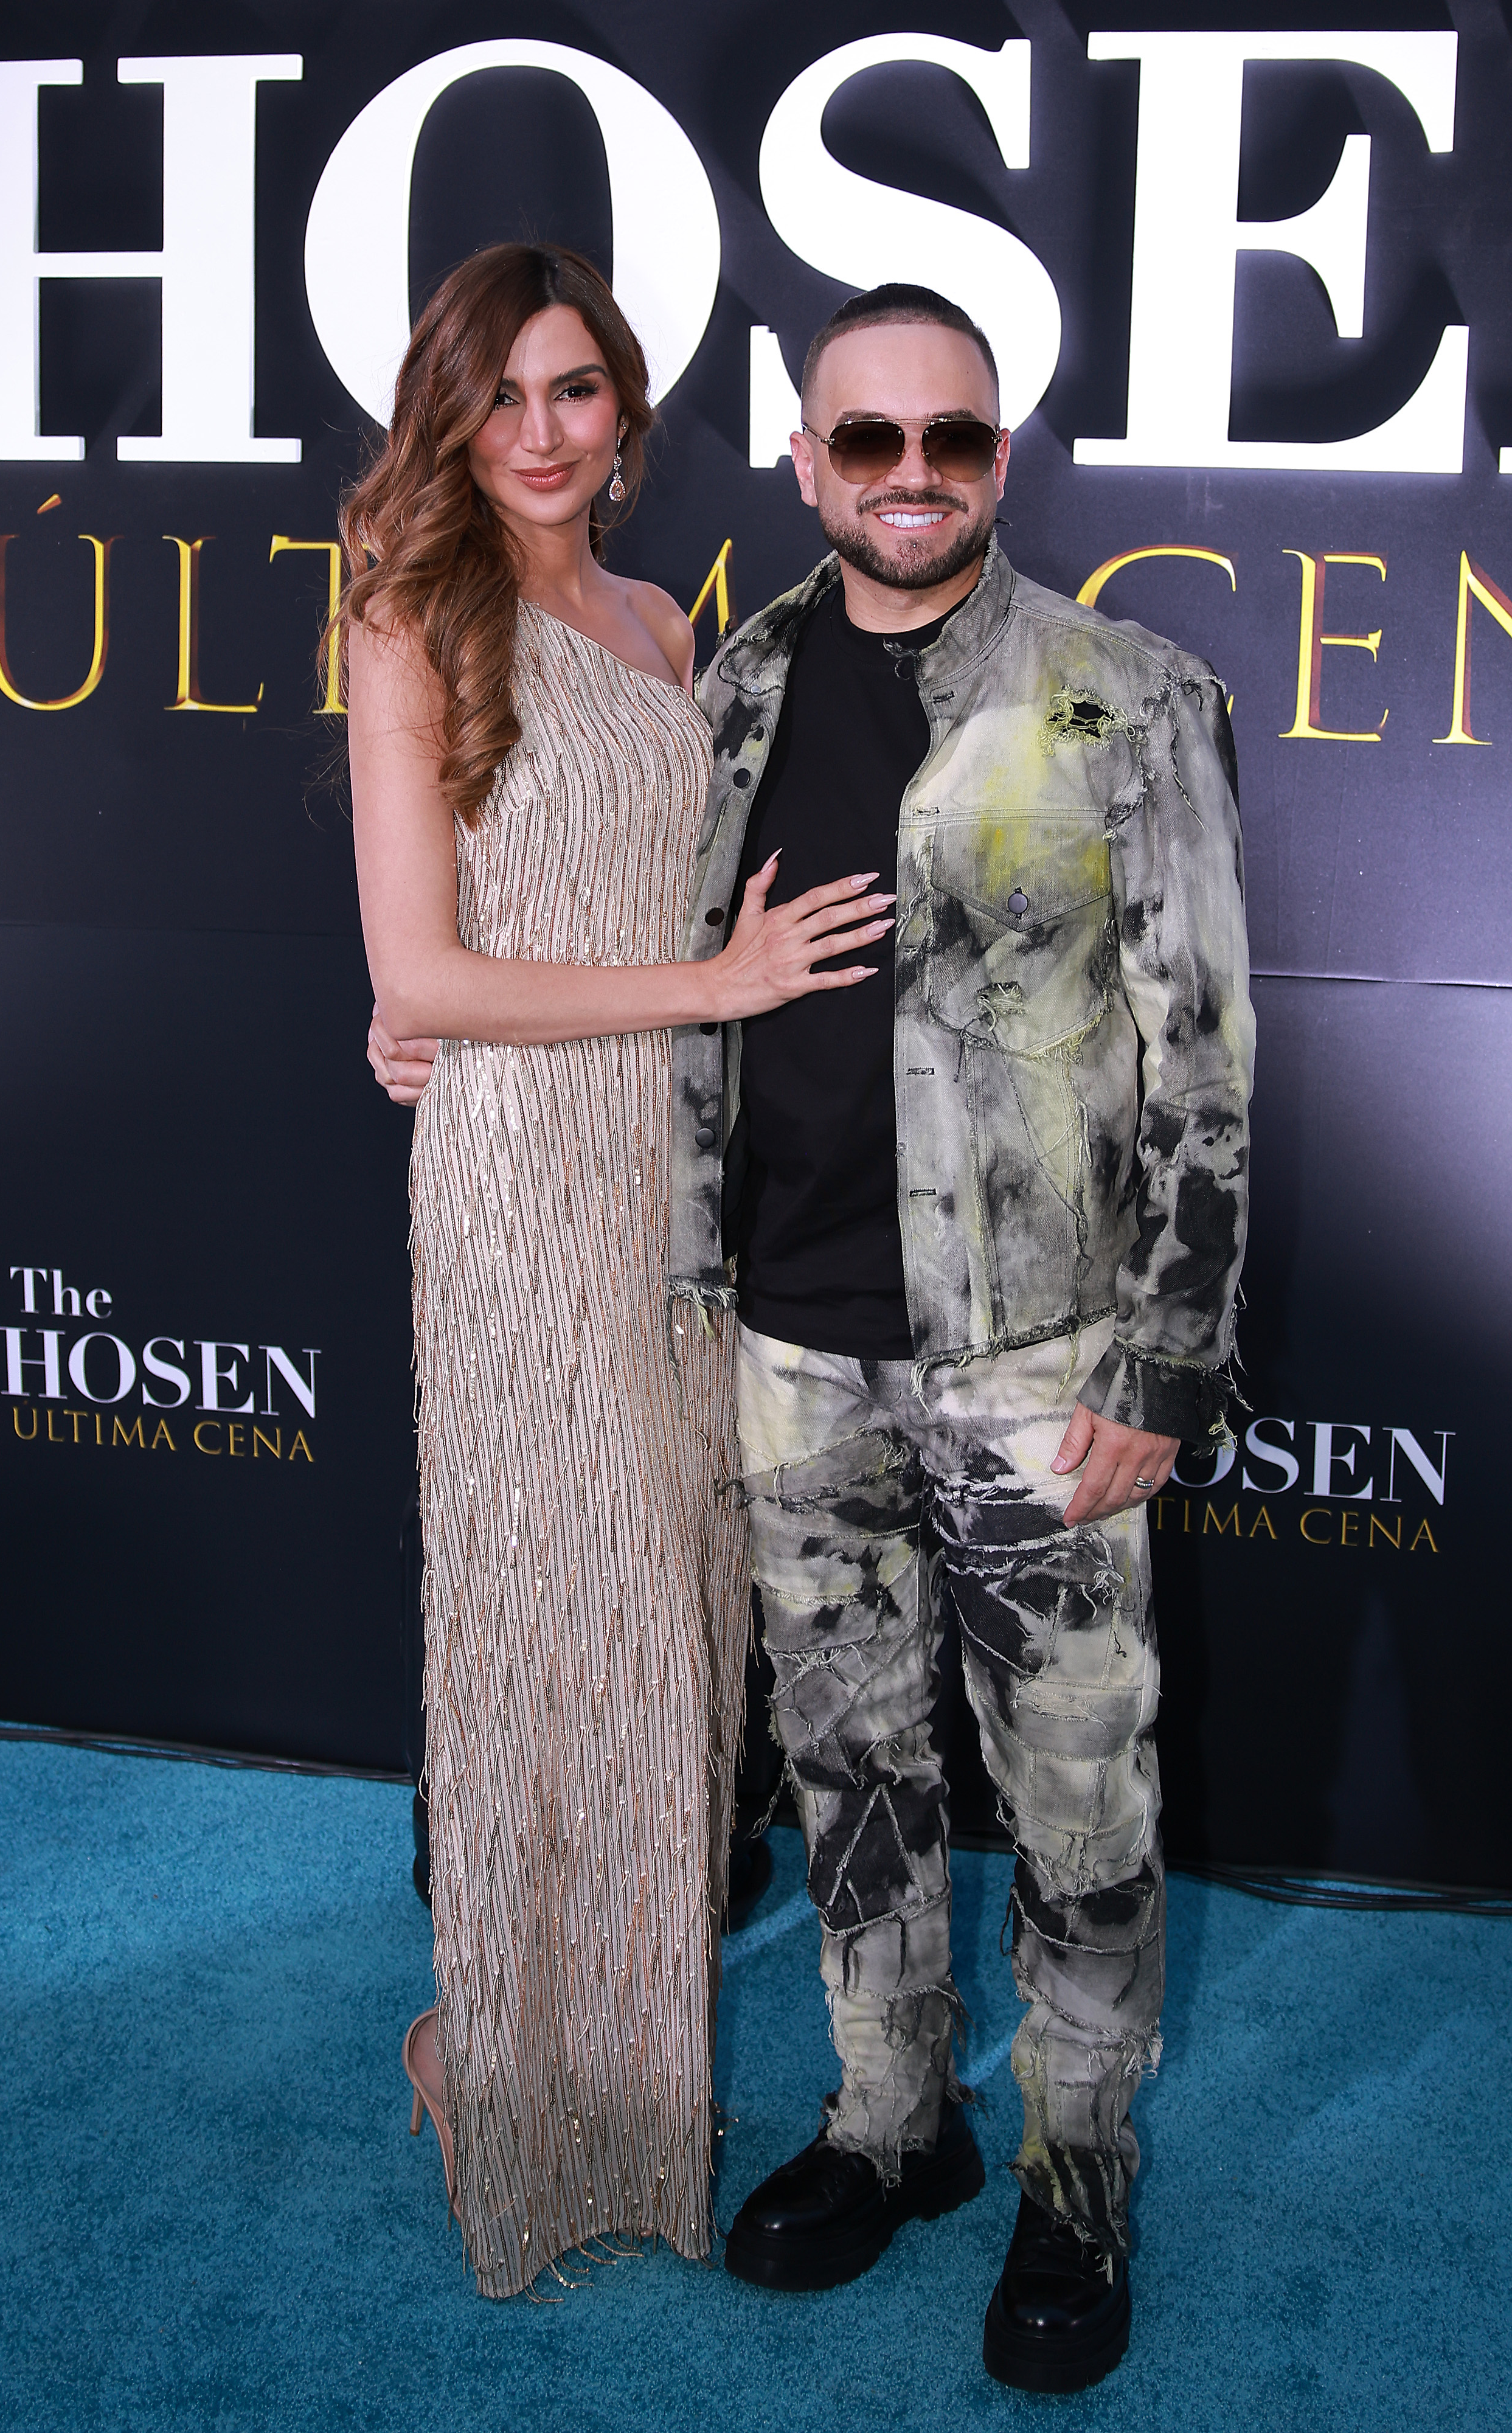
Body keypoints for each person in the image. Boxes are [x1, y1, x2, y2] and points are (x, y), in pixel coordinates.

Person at [662, 285, 1254, 2393]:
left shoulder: (1125, 698)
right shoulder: (731, 692)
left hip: (1038, 1366)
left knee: (1078, 1797)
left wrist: (1165, 1362)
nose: (911, 476)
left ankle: (1073, 2175)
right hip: (792, 1354)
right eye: (868, 441)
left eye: (955, 442)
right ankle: (888, 2120)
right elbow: (688, 1016)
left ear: (999, 457)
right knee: (846, 1771)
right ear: (804, 458)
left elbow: (1201, 1062)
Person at [344, 241, 894, 2299]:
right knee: (542, 1628)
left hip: (681, 1187)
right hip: (514, 1193)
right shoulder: (410, 612)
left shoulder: (666, 624)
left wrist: (699, 998)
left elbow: (540, 929)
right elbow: (423, 966)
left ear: (627, 406)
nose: (545, 435)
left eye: (576, 391)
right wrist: (707, 980)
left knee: (669, 1649)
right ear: (450, 421)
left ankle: (604, 2062)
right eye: (502, 401)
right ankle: (481, 2045)